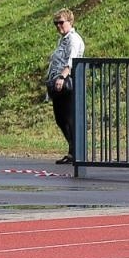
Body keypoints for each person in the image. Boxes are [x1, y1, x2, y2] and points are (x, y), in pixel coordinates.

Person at [45, 8, 87, 165]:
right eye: (56, 23)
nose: (58, 26)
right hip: (58, 85)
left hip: (67, 83)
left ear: (70, 21)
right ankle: (72, 151)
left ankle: (75, 152)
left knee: (68, 118)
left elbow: (72, 60)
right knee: (61, 119)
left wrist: (62, 76)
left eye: (61, 22)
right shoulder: (63, 40)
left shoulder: (73, 39)